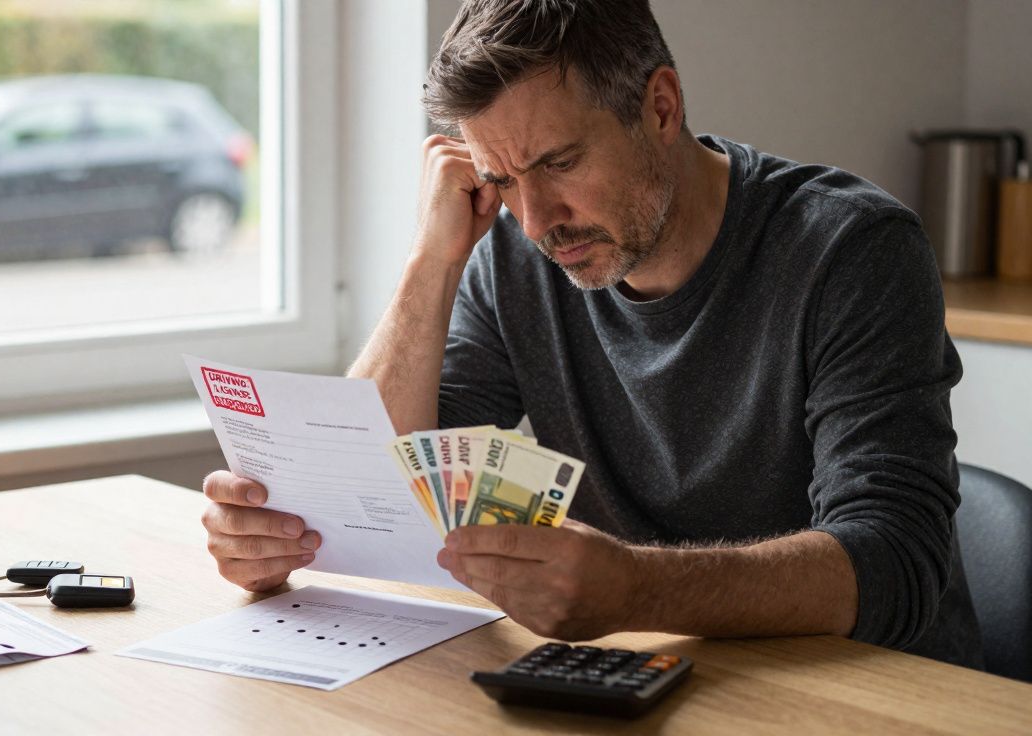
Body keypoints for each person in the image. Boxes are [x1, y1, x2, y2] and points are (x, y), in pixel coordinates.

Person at [201, 0, 982, 668]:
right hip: (647, 677)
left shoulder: (851, 250)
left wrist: (637, 588)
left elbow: (895, 563)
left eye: (561, 162)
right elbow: (375, 486)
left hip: (871, 691)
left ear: (662, 106)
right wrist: (430, 262)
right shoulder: (514, 251)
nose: (538, 221)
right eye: (502, 180)